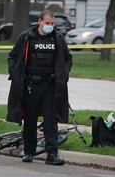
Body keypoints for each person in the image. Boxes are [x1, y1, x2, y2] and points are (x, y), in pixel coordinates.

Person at [6, 10, 72, 165]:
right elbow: (13, 57)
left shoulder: (57, 38)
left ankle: (52, 155)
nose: (50, 26)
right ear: (40, 21)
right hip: (31, 86)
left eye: (52, 23)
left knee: (51, 120)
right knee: (30, 120)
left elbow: (67, 59)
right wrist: (15, 75)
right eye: (47, 23)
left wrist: (63, 74)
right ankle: (29, 152)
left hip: (50, 86)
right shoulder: (26, 37)